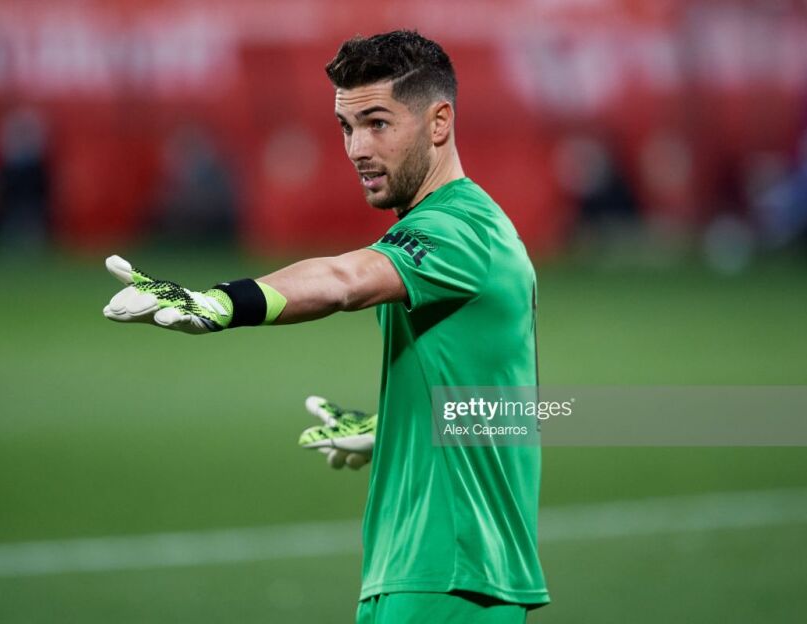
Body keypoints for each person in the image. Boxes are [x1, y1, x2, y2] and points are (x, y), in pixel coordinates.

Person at [103, 30, 549, 624]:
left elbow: (345, 279)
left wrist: (220, 303)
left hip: (448, 577)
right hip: (438, 576)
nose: (357, 148)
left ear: (439, 122)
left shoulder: (459, 229)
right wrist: (395, 429)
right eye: (347, 127)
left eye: (378, 124)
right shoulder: (466, 230)